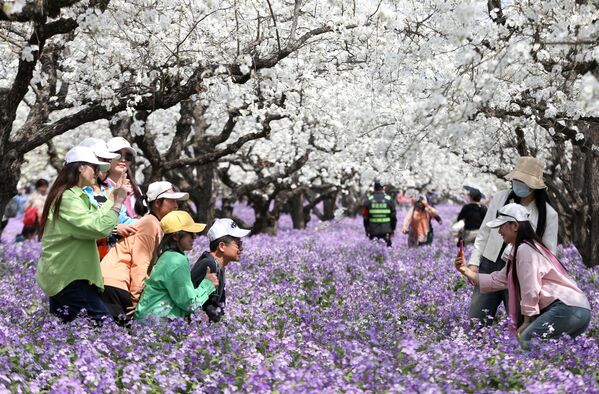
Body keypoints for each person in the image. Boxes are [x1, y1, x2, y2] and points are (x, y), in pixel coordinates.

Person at [455, 203, 591, 349]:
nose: (499, 231)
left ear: (514, 225)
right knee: (554, 351)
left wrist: (527, 321)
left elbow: (530, 288)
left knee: (524, 343)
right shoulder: (524, 249)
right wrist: (465, 270)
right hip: (580, 310)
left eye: (501, 226)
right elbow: (497, 280)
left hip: (565, 309)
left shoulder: (525, 250)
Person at [35, 146, 130, 322]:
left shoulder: (77, 196)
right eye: (94, 167)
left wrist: (113, 198)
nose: (97, 172)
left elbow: (100, 219)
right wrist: (117, 202)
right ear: (80, 167)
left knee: (66, 330)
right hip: (68, 276)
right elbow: (98, 228)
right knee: (104, 326)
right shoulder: (68, 199)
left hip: (69, 274)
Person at [467, 156, 558, 326]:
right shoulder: (501, 198)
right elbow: (485, 232)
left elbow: (549, 253)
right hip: (489, 264)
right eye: (516, 179)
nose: (518, 184)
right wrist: (473, 262)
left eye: (522, 181)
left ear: (534, 186)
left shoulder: (549, 214)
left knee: (517, 323)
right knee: (476, 320)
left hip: (519, 272)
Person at [101, 181, 189, 322]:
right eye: (172, 201)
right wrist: (136, 300)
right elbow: (140, 264)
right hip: (116, 281)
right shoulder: (150, 224)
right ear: (157, 203)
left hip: (114, 281)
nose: (176, 206)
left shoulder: (154, 224)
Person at [135, 211, 218, 319]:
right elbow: (190, 303)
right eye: (190, 233)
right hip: (158, 324)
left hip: (147, 321)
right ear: (175, 236)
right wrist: (208, 284)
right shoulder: (177, 261)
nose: (194, 237)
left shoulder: (166, 256)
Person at [79, 137, 137, 259]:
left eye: (106, 160)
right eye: (101, 161)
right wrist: (114, 229)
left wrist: (148, 223)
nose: (103, 165)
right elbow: (85, 227)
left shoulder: (107, 190)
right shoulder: (75, 194)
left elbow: (122, 218)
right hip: (82, 260)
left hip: (108, 257)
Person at [190, 218, 251, 323]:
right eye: (238, 244)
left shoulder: (218, 265)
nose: (241, 248)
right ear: (222, 246)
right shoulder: (209, 265)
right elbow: (190, 302)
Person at [106, 137, 143, 219]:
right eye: (117, 155)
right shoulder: (100, 187)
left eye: (128, 156)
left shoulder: (136, 189)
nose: (123, 160)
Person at [362, 181, 397, 247]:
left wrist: (366, 229)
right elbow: (393, 216)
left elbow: (365, 217)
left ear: (374, 188)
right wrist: (393, 229)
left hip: (373, 230)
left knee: (374, 250)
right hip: (386, 230)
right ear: (383, 188)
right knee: (387, 250)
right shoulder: (389, 200)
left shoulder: (369, 200)